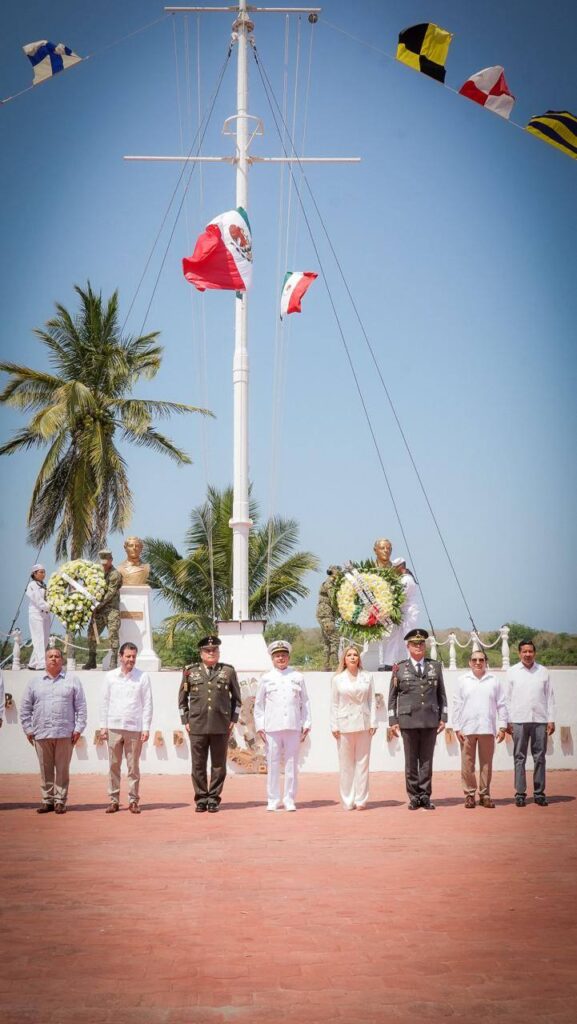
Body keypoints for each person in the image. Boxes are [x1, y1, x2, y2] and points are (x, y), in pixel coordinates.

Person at [20, 645, 87, 814]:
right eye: (50, 656)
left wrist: (78, 729)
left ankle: (60, 801)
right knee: (45, 769)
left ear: (62, 660)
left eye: (57, 656)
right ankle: (47, 800)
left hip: (65, 733)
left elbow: (81, 707)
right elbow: (25, 708)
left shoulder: (72, 680)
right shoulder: (34, 683)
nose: (54, 659)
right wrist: (29, 730)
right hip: (41, 733)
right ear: (45, 660)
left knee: (62, 770)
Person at [178, 635, 241, 813]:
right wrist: (186, 720)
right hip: (197, 725)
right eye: (207, 651)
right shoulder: (190, 671)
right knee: (198, 764)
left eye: (214, 650)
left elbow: (237, 699)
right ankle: (201, 798)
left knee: (218, 765)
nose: (211, 653)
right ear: (201, 653)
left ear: (218, 653)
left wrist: (233, 720)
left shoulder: (228, 671)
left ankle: (213, 798)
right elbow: (182, 700)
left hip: (221, 725)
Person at [388, 628, 447, 810]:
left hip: (430, 719)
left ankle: (425, 795)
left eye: (421, 643)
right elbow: (392, 697)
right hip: (408, 720)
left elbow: (441, 694)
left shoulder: (435, 666)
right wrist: (393, 720)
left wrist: (443, 716)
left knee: (427, 761)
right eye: (415, 644)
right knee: (411, 761)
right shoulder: (399, 667)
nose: (419, 646)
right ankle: (413, 796)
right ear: (408, 646)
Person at [255, 639, 311, 811]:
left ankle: (289, 799)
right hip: (272, 727)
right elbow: (259, 705)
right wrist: (260, 726)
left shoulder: (297, 677)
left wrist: (306, 723)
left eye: (284, 655)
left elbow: (305, 702)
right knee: (272, 763)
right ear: (272, 658)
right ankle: (272, 799)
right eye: (277, 656)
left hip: (293, 726)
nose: (281, 658)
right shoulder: (266, 678)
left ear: (288, 657)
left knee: (291, 764)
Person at [99, 641, 153, 815]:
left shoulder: (142, 677)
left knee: (133, 768)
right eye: (128, 656)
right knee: (113, 766)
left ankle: (133, 801)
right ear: (120, 656)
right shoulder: (110, 677)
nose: (131, 659)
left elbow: (148, 704)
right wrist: (103, 726)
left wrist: (146, 728)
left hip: (134, 728)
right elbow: (104, 702)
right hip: (114, 727)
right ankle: (113, 800)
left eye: (134, 657)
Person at [452, 649, 508, 808]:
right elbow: (457, 705)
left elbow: (502, 704)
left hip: (487, 728)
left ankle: (485, 794)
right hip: (467, 729)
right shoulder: (462, 680)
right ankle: (469, 794)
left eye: (481, 660)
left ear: (486, 662)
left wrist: (502, 726)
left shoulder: (494, 681)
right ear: (469, 662)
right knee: (467, 765)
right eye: (475, 660)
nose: (478, 662)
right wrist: (456, 727)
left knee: (486, 764)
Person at [507, 639, 555, 807]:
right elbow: (507, 699)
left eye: (530, 651)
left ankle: (539, 793)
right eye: (524, 651)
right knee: (519, 757)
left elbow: (550, 697)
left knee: (539, 757)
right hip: (519, 720)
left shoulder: (543, 671)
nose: (527, 654)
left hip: (540, 720)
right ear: (519, 653)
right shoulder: (512, 671)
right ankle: (520, 793)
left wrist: (551, 719)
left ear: (534, 653)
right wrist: (508, 721)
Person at [330, 645, 376, 810]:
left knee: (363, 763)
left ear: (359, 658)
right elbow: (334, 704)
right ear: (344, 659)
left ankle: (361, 799)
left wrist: (373, 722)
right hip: (344, 724)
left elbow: (371, 700)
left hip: (363, 723)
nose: (352, 657)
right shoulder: (337, 679)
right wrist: (334, 725)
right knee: (346, 765)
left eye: (355, 654)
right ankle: (348, 800)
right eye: (349, 655)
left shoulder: (367, 676)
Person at [83, 549, 123, 670]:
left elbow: (110, 593)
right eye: (102, 562)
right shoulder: (96, 573)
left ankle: (114, 660)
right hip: (98, 611)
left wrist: (97, 604)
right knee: (91, 634)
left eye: (106, 562)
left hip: (111, 610)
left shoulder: (115, 574)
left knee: (113, 634)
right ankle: (92, 659)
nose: (104, 565)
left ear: (111, 560)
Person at [379, 558, 420, 670]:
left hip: (409, 613)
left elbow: (399, 597)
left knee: (409, 638)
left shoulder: (406, 580)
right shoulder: (402, 579)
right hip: (401, 613)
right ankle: (389, 663)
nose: (393, 571)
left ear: (400, 567)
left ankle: (412, 663)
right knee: (394, 637)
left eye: (394, 568)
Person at [25, 564, 51, 670]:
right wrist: (50, 606)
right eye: (41, 572)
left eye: (44, 572)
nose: (43, 574)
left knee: (44, 640)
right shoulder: (32, 585)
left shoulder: (44, 585)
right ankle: (41, 663)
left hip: (45, 614)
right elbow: (37, 600)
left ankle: (32, 663)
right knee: (38, 638)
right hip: (36, 614)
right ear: (34, 573)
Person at [316, 566, 340, 671]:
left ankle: (326, 665)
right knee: (334, 639)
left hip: (323, 614)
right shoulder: (330, 583)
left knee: (327, 641)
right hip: (327, 615)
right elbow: (333, 599)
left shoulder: (326, 582)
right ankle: (336, 664)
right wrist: (341, 611)